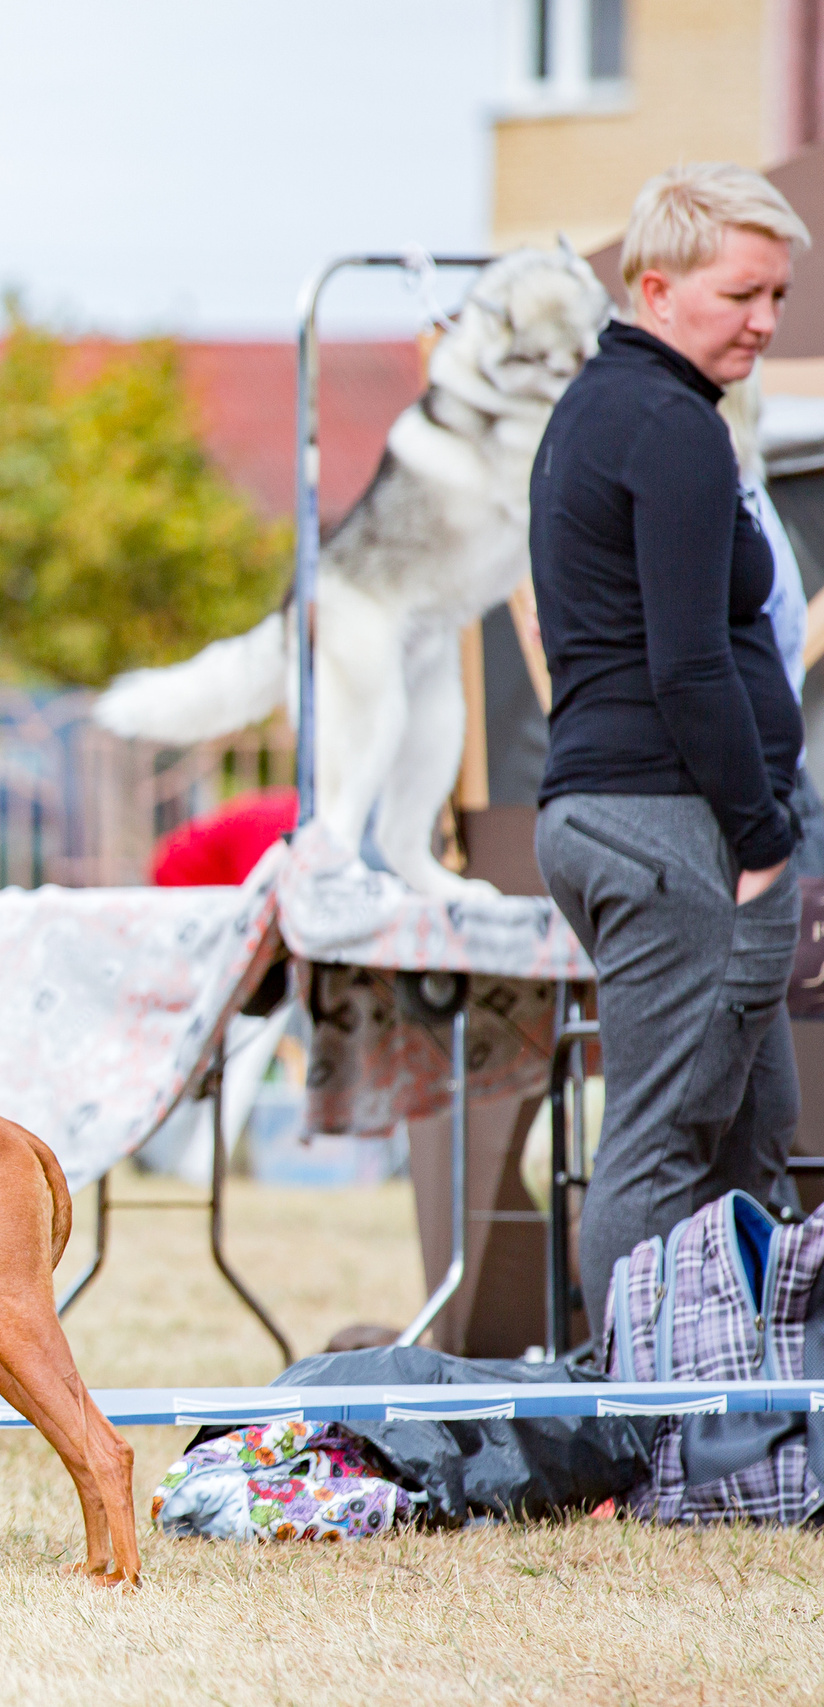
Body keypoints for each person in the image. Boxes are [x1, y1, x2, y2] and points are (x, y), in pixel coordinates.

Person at [529, 162, 811, 1346]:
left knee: (752, 1127)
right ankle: (636, 1418)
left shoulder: (604, 409)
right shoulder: (671, 427)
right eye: (741, 292)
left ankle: (756, 1400)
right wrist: (760, 840)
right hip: (667, 824)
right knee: (659, 1143)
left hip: (618, 817)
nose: (763, 319)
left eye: (779, 297)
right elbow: (687, 664)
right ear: (655, 285)